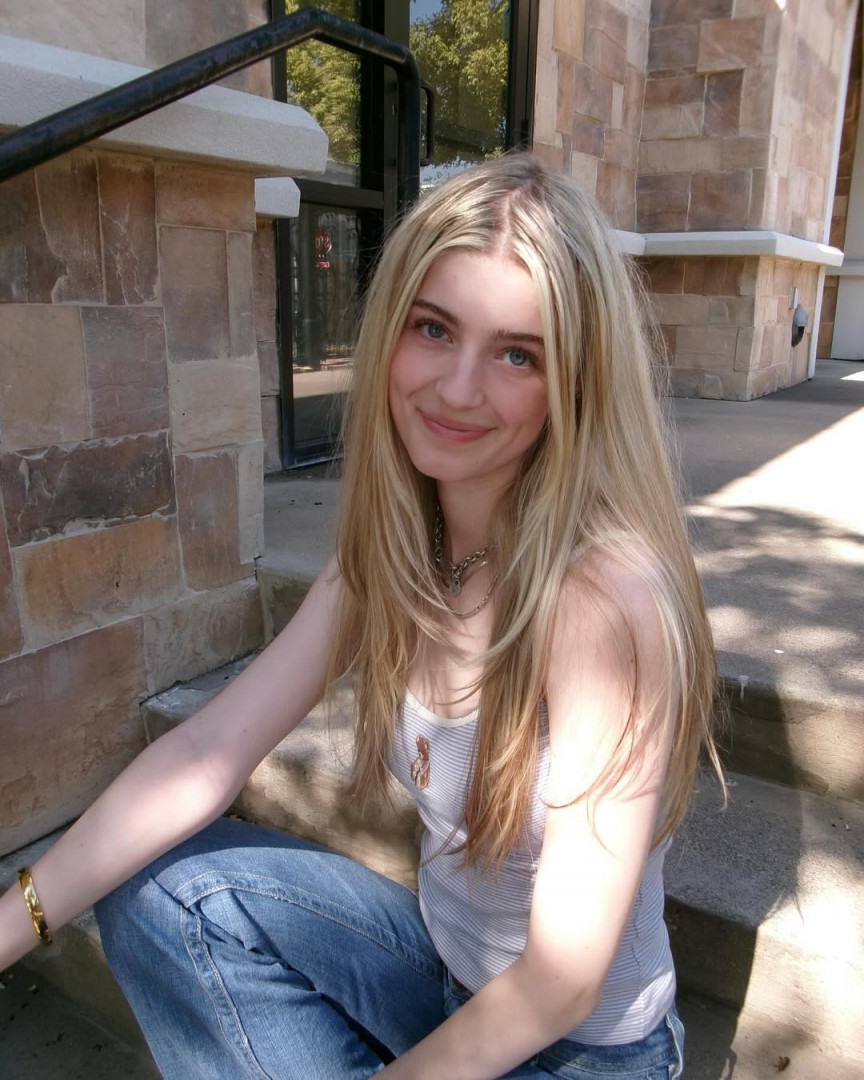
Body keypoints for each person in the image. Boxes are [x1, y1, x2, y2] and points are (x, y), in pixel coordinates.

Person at [0, 154, 721, 1079]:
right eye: (434, 328)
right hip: (443, 976)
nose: (457, 388)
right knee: (154, 887)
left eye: (517, 354)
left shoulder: (601, 603)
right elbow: (205, 753)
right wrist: (15, 921)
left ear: (574, 383)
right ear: (390, 332)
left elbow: (562, 981)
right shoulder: (394, 551)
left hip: (581, 1052)